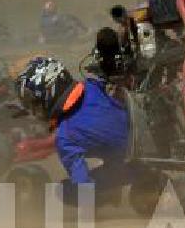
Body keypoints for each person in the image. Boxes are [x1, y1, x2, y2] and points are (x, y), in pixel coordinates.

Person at [15, 56, 130, 206]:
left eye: (34, 103)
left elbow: (83, 186)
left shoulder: (66, 138)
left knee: (66, 191)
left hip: (137, 164)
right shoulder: (92, 85)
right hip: (149, 137)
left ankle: (110, 195)